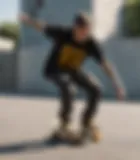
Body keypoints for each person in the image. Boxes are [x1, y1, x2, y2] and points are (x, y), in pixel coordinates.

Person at [20, 12, 125, 142]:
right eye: (80, 32)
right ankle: (64, 124)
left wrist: (117, 84)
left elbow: (105, 64)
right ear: (74, 28)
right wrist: (27, 20)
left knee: (96, 89)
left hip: (73, 70)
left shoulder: (91, 43)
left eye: (86, 32)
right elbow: (43, 26)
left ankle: (86, 122)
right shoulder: (63, 33)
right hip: (54, 69)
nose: (82, 36)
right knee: (68, 87)